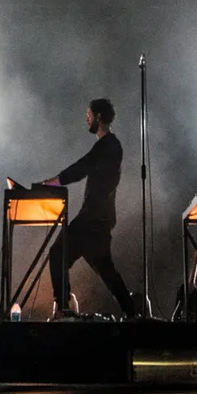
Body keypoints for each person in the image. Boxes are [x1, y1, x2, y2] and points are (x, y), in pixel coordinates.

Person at [40, 98, 140, 319]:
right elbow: (85, 166)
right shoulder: (108, 146)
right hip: (98, 218)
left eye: (89, 114)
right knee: (105, 269)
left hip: (93, 219)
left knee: (58, 255)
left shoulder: (109, 145)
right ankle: (132, 313)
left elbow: (82, 167)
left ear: (99, 117)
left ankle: (64, 310)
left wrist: (54, 181)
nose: (86, 119)